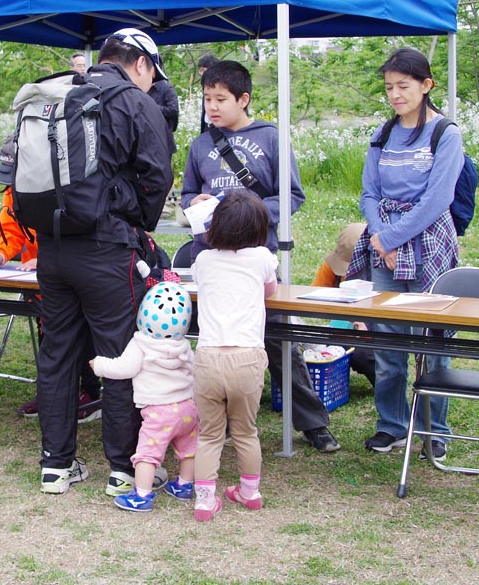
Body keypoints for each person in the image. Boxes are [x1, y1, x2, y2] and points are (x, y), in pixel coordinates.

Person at [34, 27, 172, 497]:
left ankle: (55, 465)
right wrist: (142, 222)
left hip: (51, 248)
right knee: (119, 355)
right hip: (107, 247)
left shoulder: (60, 94)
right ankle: (123, 467)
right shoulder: (134, 101)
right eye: (152, 74)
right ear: (140, 64)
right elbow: (157, 171)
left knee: (57, 354)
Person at [180, 60, 340, 453]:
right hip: (211, 261)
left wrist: (244, 211)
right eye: (206, 99)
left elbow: (291, 197)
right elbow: (185, 196)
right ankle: (219, 421)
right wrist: (196, 203)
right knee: (214, 342)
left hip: (257, 260)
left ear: (244, 99)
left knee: (279, 340)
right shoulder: (201, 145)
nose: (212, 107)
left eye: (220, 99)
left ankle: (311, 422)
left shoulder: (270, 139)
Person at [350, 47, 463, 461]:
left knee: (433, 342)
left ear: (426, 85)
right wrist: (383, 238)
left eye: (403, 86)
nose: (395, 95)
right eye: (389, 88)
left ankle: (437, 429)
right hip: (385, 244)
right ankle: (392, 425)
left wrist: (394, 237)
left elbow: (438, 199)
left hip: (428, 242)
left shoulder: (445, 134)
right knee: (388, 343)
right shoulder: (383, 134)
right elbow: (368, 193)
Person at [0, 136, 102, 422]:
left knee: (81, 333)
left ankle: (89, 393)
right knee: (47, 334)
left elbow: (79, 227)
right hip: (42, 283)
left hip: (73, 271)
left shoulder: (63, 185)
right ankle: (54, 392)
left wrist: (47, 256)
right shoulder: (12, 192)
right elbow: (11, 232)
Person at [189, 189, 278, 521]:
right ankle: (249, 491)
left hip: (209, 357)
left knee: (210, 434)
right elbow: (269, 290)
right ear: (260, 229)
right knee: (245, 431)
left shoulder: (204, 260)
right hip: (247, 357)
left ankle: (204, 500)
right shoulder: (262, 259)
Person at [91, 282, 197, 513]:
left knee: (147, 455)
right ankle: (185, 485)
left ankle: (141, 495)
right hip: (188, 407)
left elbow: (124, 368)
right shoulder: (184, 345)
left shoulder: (140, 342)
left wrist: (99, 364)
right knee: (189, 449)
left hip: (159, 411)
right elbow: (195, 369)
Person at [312, 222, 377, 386]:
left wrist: (367, 326)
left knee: (363, 355)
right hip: (341, 332)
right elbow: (314, 297)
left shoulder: (384, 274)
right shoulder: (330, 268)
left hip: (375, 334)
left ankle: (386, 385)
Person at [196, 53, 220, 134]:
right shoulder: (206, 90)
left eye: (203, 70)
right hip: (208, 130)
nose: (202, 74)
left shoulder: (226, 90)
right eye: (200, 70)